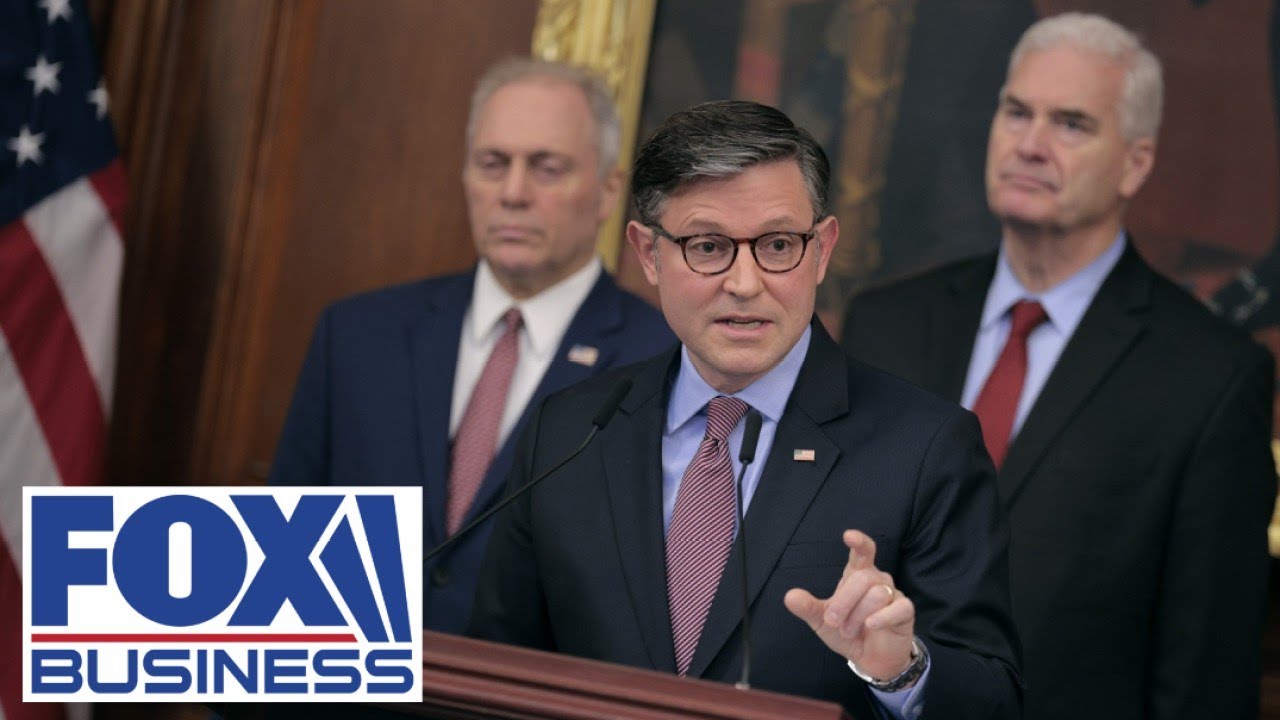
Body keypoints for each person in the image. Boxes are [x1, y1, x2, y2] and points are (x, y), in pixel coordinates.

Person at [469, 100, 1021, 719]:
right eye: (708, 247)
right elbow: (495, 671)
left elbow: (995, 700)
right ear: (648, 254)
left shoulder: (925, 448)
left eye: (778, 245)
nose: (745, 283)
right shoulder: (569, 432)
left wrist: (901, 670)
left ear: (822, 249)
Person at [842, 13, 1275, 719]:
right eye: (1017, 112)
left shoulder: (1211, 378)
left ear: (1136, 163)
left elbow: (1206, 675)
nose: (1030, 145)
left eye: (1071, 124)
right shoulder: (885, 323)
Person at [271, 58, 674, 635]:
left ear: (608, 191)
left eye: (547, 168)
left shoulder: (663, 361)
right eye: (492, 164)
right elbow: (284, 556)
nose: (513, 193)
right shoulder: (358, 335)